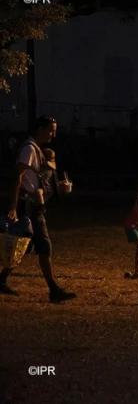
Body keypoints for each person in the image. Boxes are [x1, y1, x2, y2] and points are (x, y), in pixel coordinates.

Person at [1, 115, 76, 303]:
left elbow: (32, 178)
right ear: (41, 129)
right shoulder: (29, 149)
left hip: (30, 204)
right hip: (29, 206)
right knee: (44, 245)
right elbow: (18, 177)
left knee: (24, 244)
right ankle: (53, 290)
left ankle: (1, 279)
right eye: (51, 129)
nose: (54, 134)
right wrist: (13, 206)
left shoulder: (34, 148)